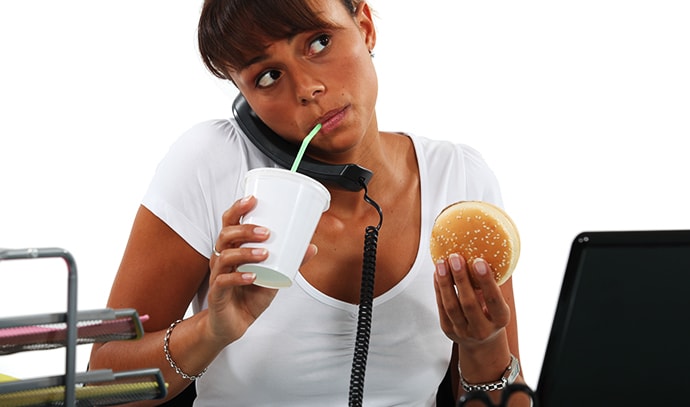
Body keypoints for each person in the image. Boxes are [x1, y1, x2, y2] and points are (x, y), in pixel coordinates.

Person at [89, 0, 529, 406]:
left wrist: (483, 346)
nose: (307, 88)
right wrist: (209, 330)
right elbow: (101, 387)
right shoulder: (213, 163)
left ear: (365, 26)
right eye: (267, 76)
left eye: (319, 42)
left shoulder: (461, 180)